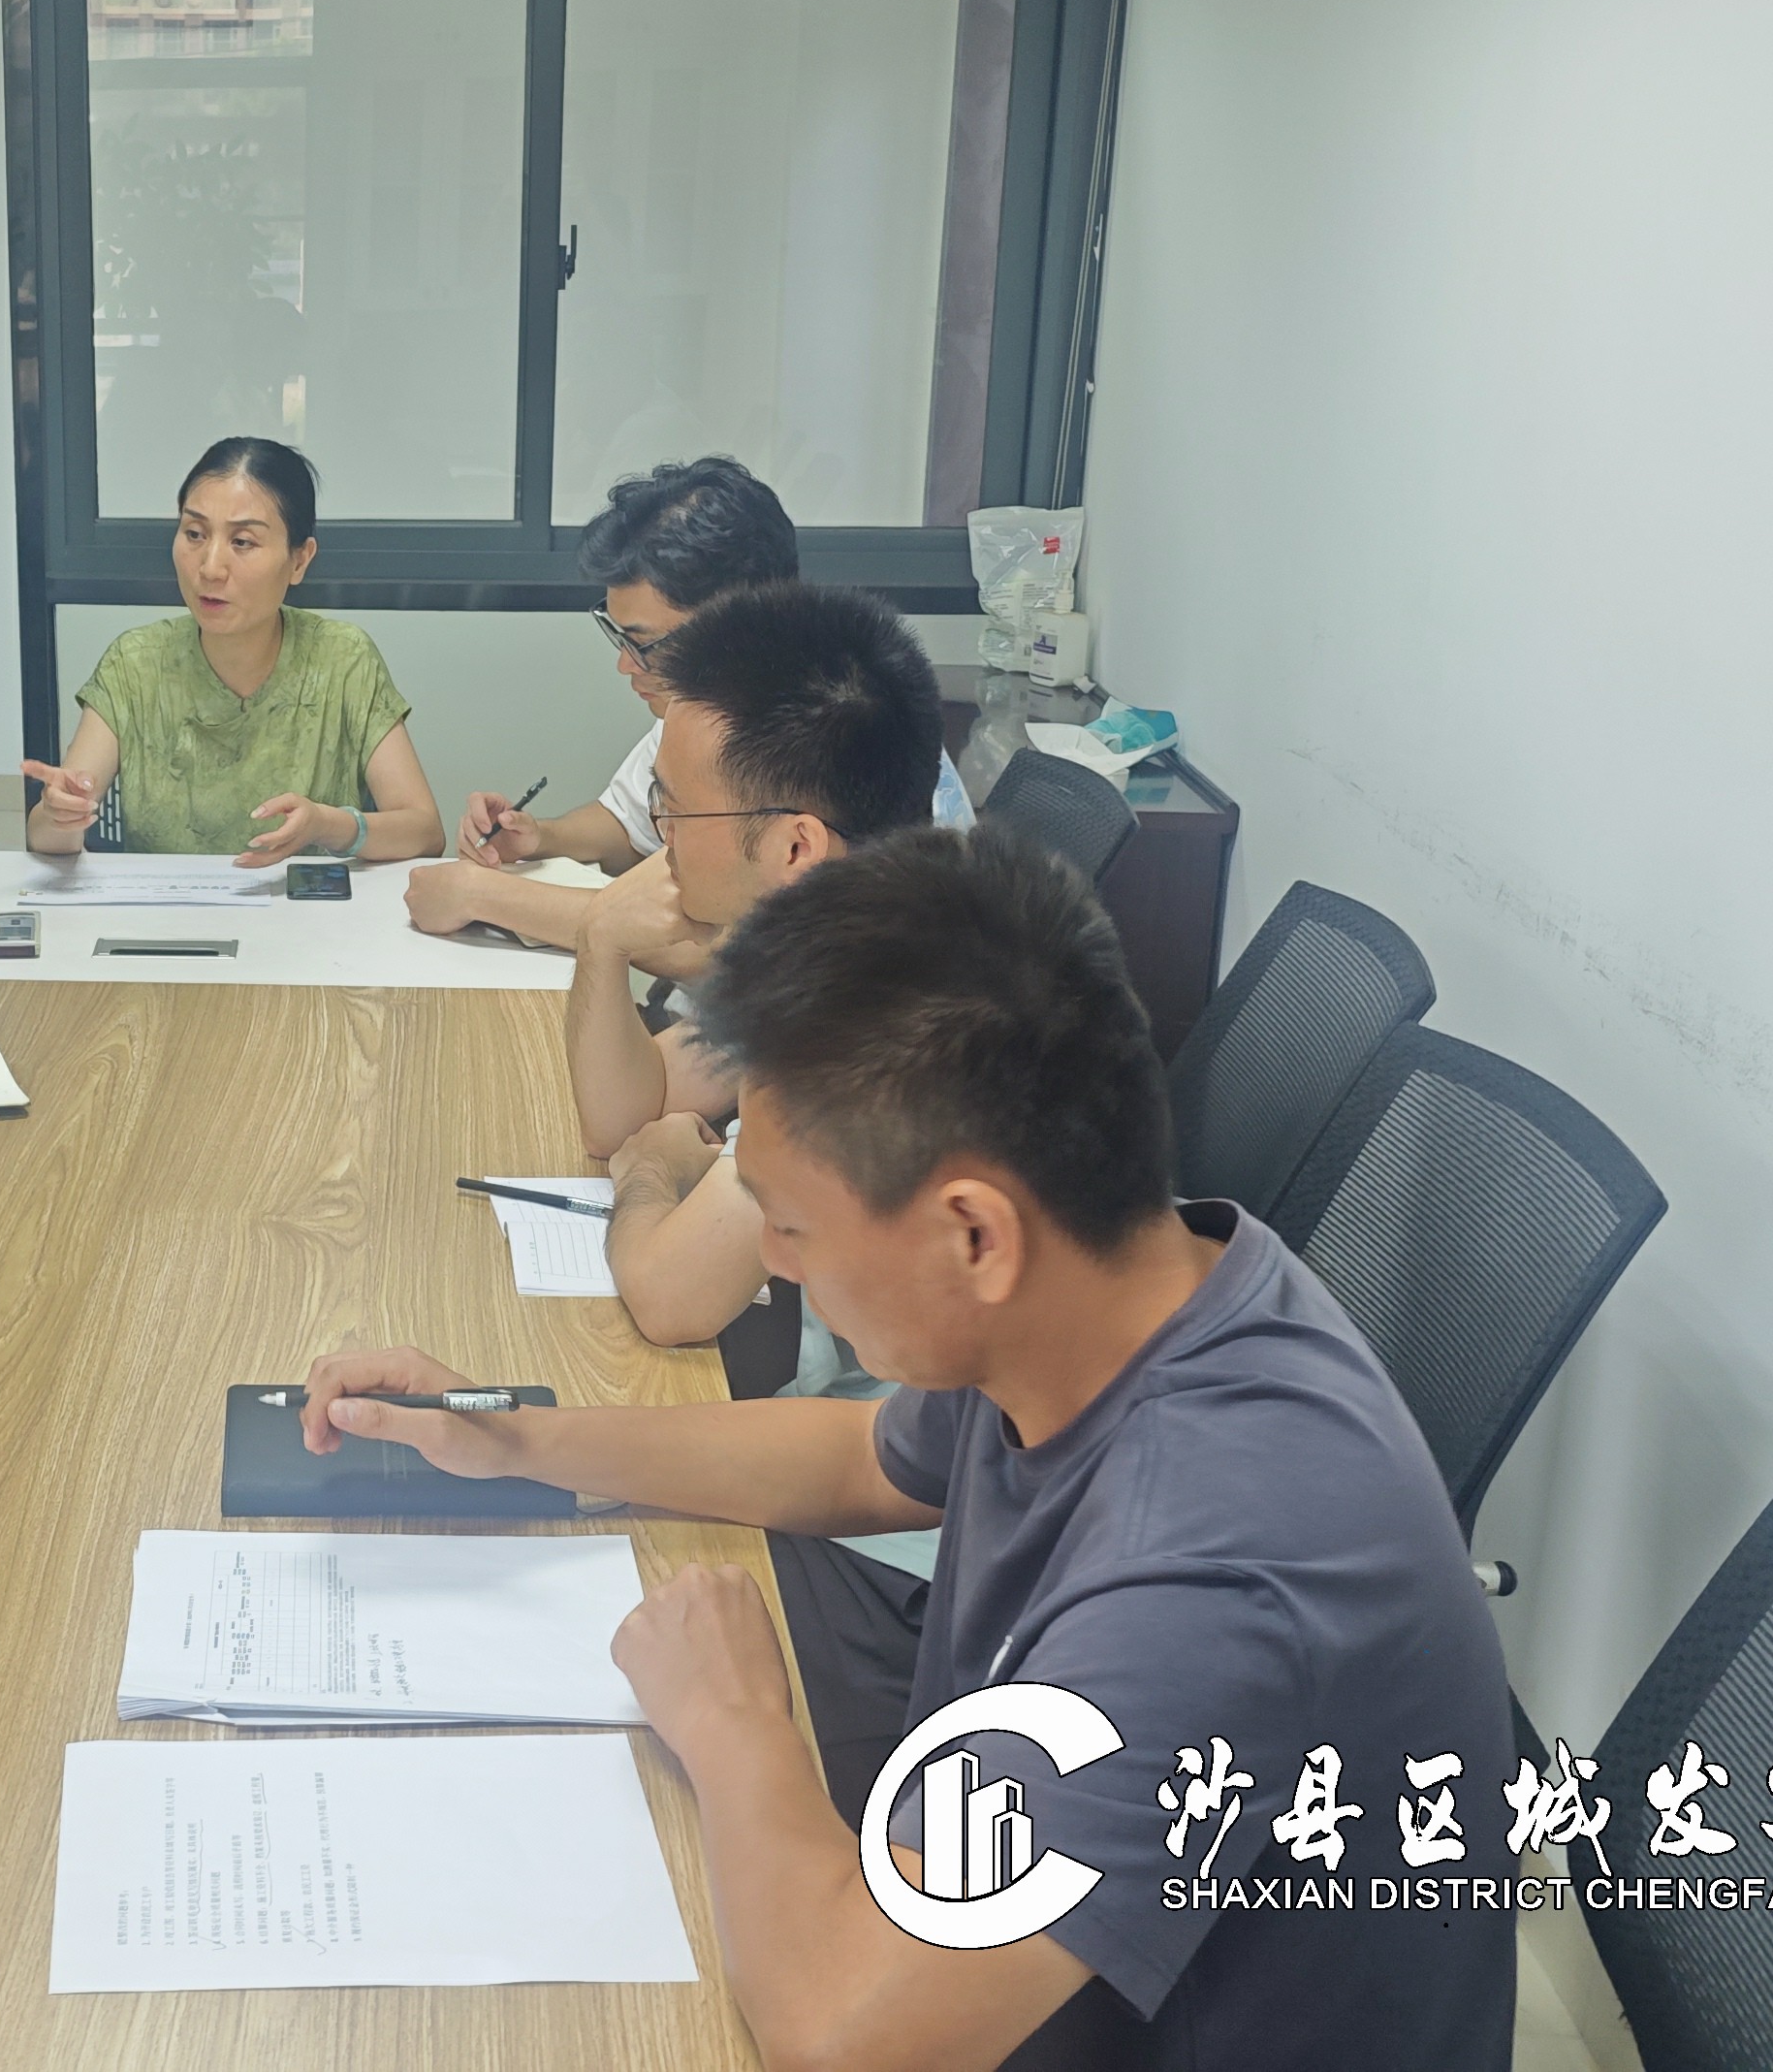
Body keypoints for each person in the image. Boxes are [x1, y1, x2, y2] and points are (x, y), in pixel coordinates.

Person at [294, 834, 1514, 2069]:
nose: (773, 1262)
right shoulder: (1117, 1290)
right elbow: (859, 1460)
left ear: (971, 1235)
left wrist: (733, 1719)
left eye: (790, 1224)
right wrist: (518, 1438)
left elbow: (844, 2036)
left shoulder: (1210, 1576)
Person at [561, 589, 956, 1461]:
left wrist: (654, 1172)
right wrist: (600, 938)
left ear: (794, 847)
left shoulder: (884, 1016)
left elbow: (670, 1299)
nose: (660, 837)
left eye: (674, 810)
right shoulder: (850, 930)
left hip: (906, 1488)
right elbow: (624, 1110)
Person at [403, 457, 970, 952]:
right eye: (618, 636)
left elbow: (730, 953)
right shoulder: (713, 706)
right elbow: (628, 823)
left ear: (740, 621)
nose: (626, 665)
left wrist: (485, 896)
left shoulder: (839, 731)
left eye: (645, 644)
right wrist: (540, 836)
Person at [23, 436, 440, 866]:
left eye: (242, 542)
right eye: (195, 534)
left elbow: (425, 832)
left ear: (300, 560)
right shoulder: (136, 662)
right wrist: (60, 815)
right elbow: (45, 836)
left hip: (300, 905)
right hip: (167, 905)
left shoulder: (343, 659)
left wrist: (327, 825)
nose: (210, 568)